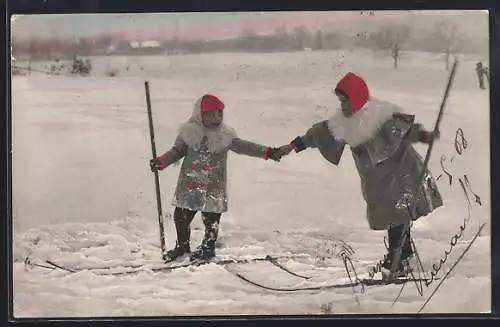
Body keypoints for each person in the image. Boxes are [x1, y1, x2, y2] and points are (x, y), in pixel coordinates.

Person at [277, 72, 443, 278]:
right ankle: (404, 255)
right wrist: (292, 146)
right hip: (377, 180)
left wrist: (425, 135)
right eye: (341, 101)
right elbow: (318, 135)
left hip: (402, 172)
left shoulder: (381, 116)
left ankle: (396, 259)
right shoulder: (342, 123)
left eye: (346, 101)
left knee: (399, 213)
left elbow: (407, 131)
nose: (343, 106)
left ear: (357, 98)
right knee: (393, 216)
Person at [150, 94, 282, 262]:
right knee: (181, 218)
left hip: (213, 186)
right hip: (190, 184)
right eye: (211, 114)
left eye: (219, 113)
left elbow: (244, 146)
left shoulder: (224, 136)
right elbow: (176, 151)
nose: (217, 118)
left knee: (211, 220)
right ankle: (182, 247)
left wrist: (268, 152)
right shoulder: (189, 133)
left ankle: (208, 248)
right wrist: (161, 161)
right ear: (200, 115)